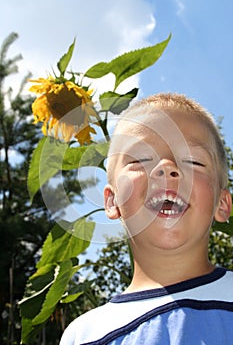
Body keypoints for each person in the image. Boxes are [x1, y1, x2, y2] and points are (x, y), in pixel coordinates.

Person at [60, 93, 233, 344]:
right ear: (112, 201)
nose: (166, 167)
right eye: (140, 159)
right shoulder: (85, 335)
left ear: (222, 203)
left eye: (193, 160)